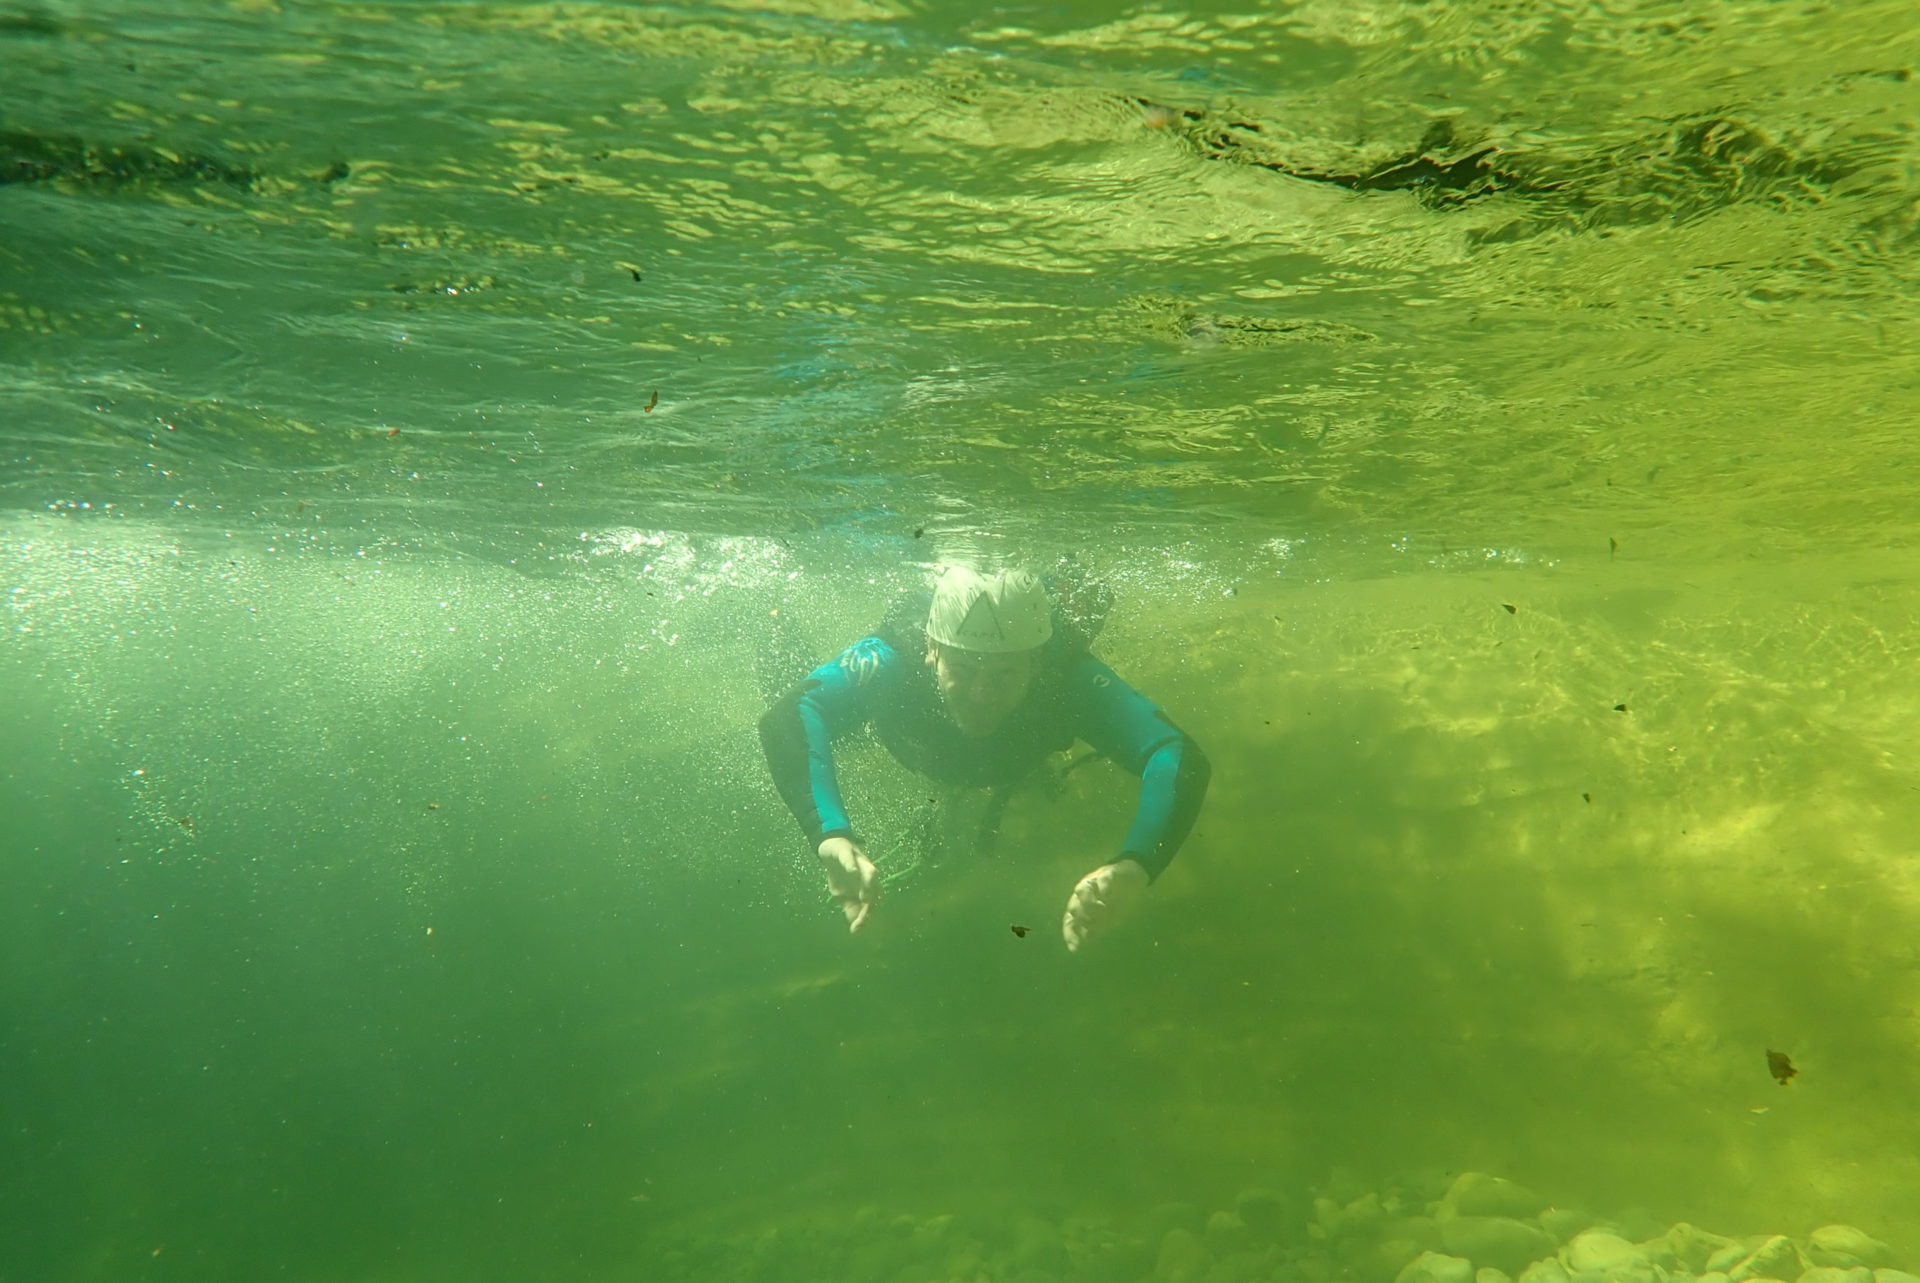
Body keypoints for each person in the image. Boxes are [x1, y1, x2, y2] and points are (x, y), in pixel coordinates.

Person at [758, 565, 1210, 950]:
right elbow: (789, 717)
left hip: (1014, 762)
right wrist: (830, 835)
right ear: (930, 651)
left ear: (1035, 663)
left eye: (1004, 673)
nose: (981, 694)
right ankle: (775, 616)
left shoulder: (1066, 676)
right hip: (909, 747)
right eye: (964, 669)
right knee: (836, 736)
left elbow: (1177, 753)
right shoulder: (895, 654)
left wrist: (1135, 867)